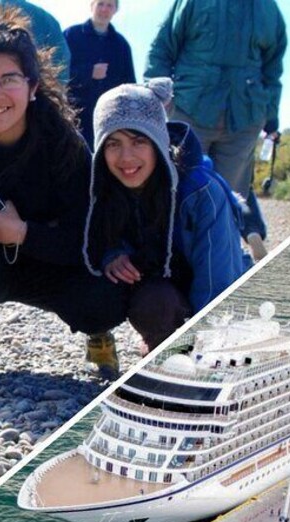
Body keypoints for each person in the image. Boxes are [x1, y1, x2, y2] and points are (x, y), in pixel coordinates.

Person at [0, 8, 127, 379]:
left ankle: (98, 333)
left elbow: (85, 239)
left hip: (54, 263)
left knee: (109, 292)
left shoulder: (65, 144)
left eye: (9, 79)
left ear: (33, 87)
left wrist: (23, 233)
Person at [83, 79, 250, 352]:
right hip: (162, 285)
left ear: (159, 141)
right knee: (153, 306)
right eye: (113, 143)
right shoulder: (105, 186)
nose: (126, 157)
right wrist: (112, 254)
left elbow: (217, 282)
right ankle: (162, 344)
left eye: (139, 141)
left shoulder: (202, 192)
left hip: (221, 288)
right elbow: (102, 236)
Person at [144, 0, 287, 261]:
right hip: (190, 108)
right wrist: (157, 94)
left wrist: (271, 114)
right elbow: (163, 48)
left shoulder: (268, 9)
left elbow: (273, 68)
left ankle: (218, 267)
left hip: (245, 116)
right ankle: (172, 262)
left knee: (227, 198)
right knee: (180, 187)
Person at [63, 0, 135, 146]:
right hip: (73, 116)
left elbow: (130, 84)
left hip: (109, 120)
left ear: (115, 10)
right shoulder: (71, 35)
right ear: (91, 5)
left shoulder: (121, 45)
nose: (104, 9)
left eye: (110, 5)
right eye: (100, 4)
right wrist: (89, 72)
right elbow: (56, 72)